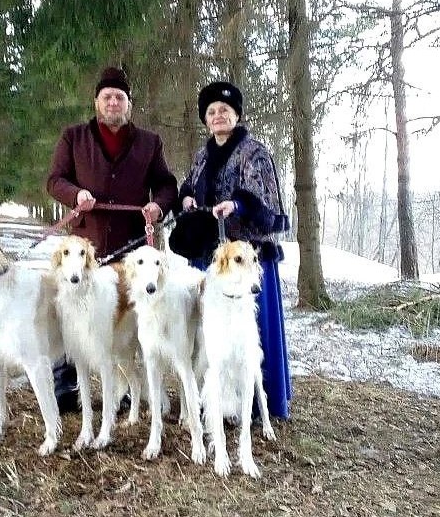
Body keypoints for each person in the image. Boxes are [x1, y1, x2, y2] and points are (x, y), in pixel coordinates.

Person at [47, 66, 178, 412]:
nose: (113, 102)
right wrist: (76, 195)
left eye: (120, 97)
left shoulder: (150, 143)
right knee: (72, 315)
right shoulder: (73, 137)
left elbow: (167, 186)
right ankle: (67, 385)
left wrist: (157, 206)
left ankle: (130, 387)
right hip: (84, 250)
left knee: (128, 321)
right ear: (96, 102)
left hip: (130, 253)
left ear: (128, 104)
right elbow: (55, 180)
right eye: (107, 97)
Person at [173, 81, 291, 420]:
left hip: (245, 260)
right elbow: (187, 186)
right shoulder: (202, 155)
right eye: (211, 112)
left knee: (252, 335)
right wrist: (187, 199)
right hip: (211, 258)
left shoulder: (255, 152)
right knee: (212, 335)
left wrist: (237, 205)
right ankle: (215, 402)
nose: (217, 116)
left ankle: (258, 406)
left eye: (224, 110)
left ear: (236, 115)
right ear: (205, 120)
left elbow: (264, 201)